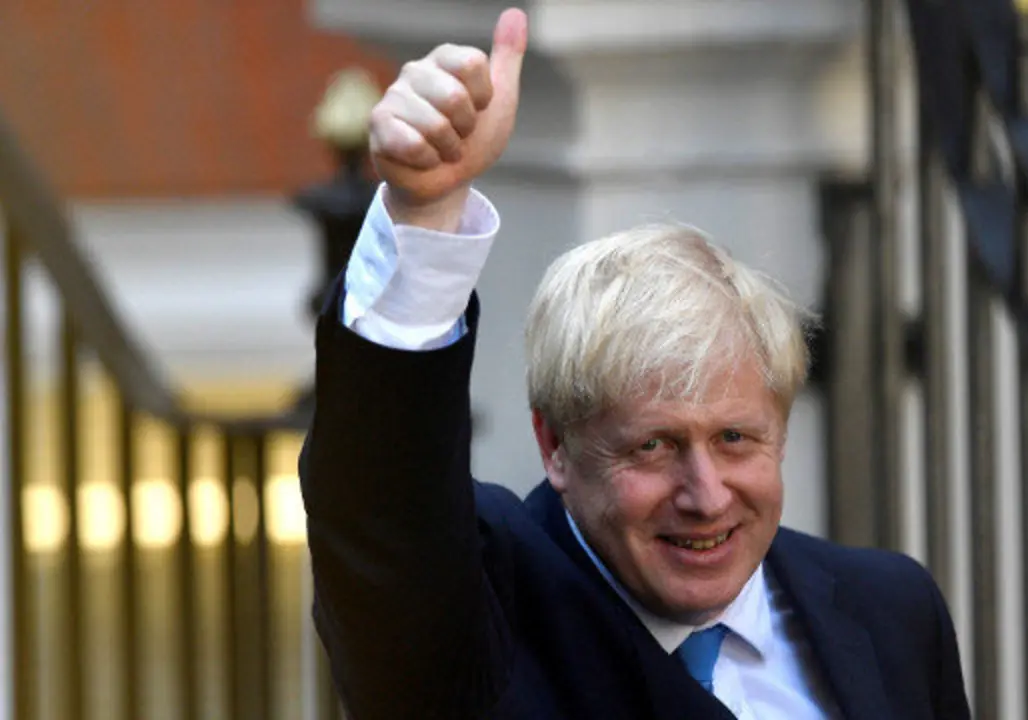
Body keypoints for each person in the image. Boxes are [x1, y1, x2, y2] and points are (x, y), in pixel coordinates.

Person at [300, 8, 971, 719]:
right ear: (555, 446)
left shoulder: (891, 610)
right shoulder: (485, 613)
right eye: (655, 445)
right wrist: (424, 211)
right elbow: (386, 524)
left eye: (735, 439)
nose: (706, 495)